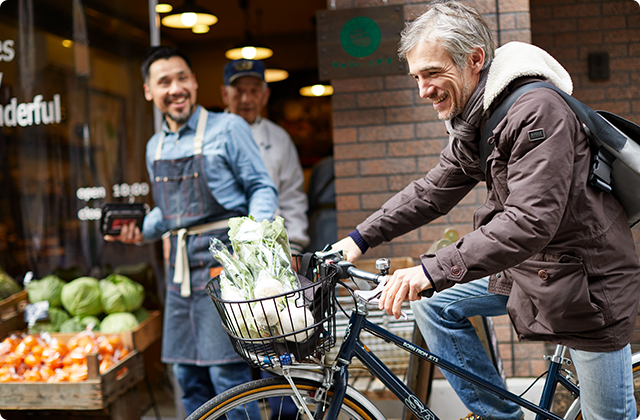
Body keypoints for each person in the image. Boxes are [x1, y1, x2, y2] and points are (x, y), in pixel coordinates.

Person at [331, 2, 640, 419]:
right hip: (531, 267)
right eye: (417, 77)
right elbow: (432, 190)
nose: (423, 90)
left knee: (610, 418)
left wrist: (429, 270)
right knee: (434, 306)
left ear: (474, 60)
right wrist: (359, 238)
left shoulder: (536, 111)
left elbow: (529, 221)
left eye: (433, 73)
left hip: (584, 281)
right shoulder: (479, 116)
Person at [105, 46, 278, 417]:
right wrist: (139, 231)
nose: (176, 88)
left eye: (182, 78)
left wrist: (255, 241)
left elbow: (262, 188)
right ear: (149, 92)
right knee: (186, 373)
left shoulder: (228, 127)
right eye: (164, 81)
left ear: (195, 83)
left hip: (224, 264)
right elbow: (169, 216)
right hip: (179, 274)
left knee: (226, 374)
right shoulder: (156, 146)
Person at [221, 59, 309, 254]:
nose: (246, 99)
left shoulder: (279, 138)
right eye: (239, 91)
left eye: (254, 91)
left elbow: (292, 197)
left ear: (265, 95)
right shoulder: (210, 136)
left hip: (272, 248)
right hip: (222, 248)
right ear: (225, 94)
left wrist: (293, 247)